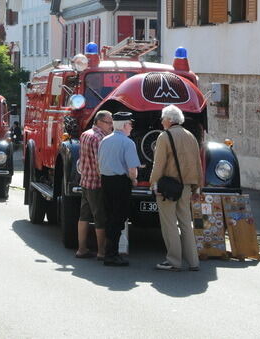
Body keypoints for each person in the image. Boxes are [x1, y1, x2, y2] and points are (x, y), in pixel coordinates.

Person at [149, 105, 202, 272]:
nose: (162, 121)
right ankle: (193, 261)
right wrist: (197, 186)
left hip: (168, 187)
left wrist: (153, 182)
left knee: (169, 223)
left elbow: (159, 164)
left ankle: (173, 261)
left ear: (170, 120)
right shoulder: (190, 136)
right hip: (186, 185)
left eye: (163, 118)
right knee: (186, 223)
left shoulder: (164, 136)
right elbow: (197, 163)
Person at [97, 111, 140, 266]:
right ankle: (111, 254)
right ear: (124, 125)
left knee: (110, 217)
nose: (131, 127)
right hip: (120, 183)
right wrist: (134, 179)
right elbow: (132, 170)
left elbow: (99, 163)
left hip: (106, 181)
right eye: (130, 124)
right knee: (118, 218)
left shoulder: (104, 140)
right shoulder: (128, 143)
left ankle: (109, 252)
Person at [75, 110, 113, 260]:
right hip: (97, 183)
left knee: (83, 216)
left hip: (85, 180)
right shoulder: (100, 139)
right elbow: (100, 164)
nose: (111, 126)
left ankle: (81, 248)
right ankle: (102, 252)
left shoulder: (85, 134)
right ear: (99, 122)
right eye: (108, 122)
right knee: (100, 218)